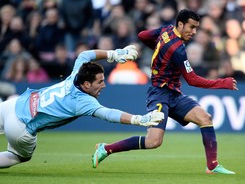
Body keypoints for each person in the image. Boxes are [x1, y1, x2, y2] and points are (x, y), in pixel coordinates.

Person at [92, 9, 238, 174]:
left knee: (205, 118)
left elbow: (142, 35)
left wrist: (160, 51)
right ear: (180, 24)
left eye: (196, 28)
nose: (194, 32)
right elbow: (192, 80)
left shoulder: (166, 30)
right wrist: (222, 82)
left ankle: (212, 165)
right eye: (191, 27)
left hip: (174, 94)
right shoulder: (177, 48)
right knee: (153, 141)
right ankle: (106, 148)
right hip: (159, 95)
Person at [0, 45, 164, 168]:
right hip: (22, 126)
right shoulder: (83, 102)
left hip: (13, 105)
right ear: (86, 84)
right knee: (19, 156)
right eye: (100, 82)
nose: (104, 86)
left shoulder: (76, 73)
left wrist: (114, 54)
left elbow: (85, 54)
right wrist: (139, 120)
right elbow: (109, 114)